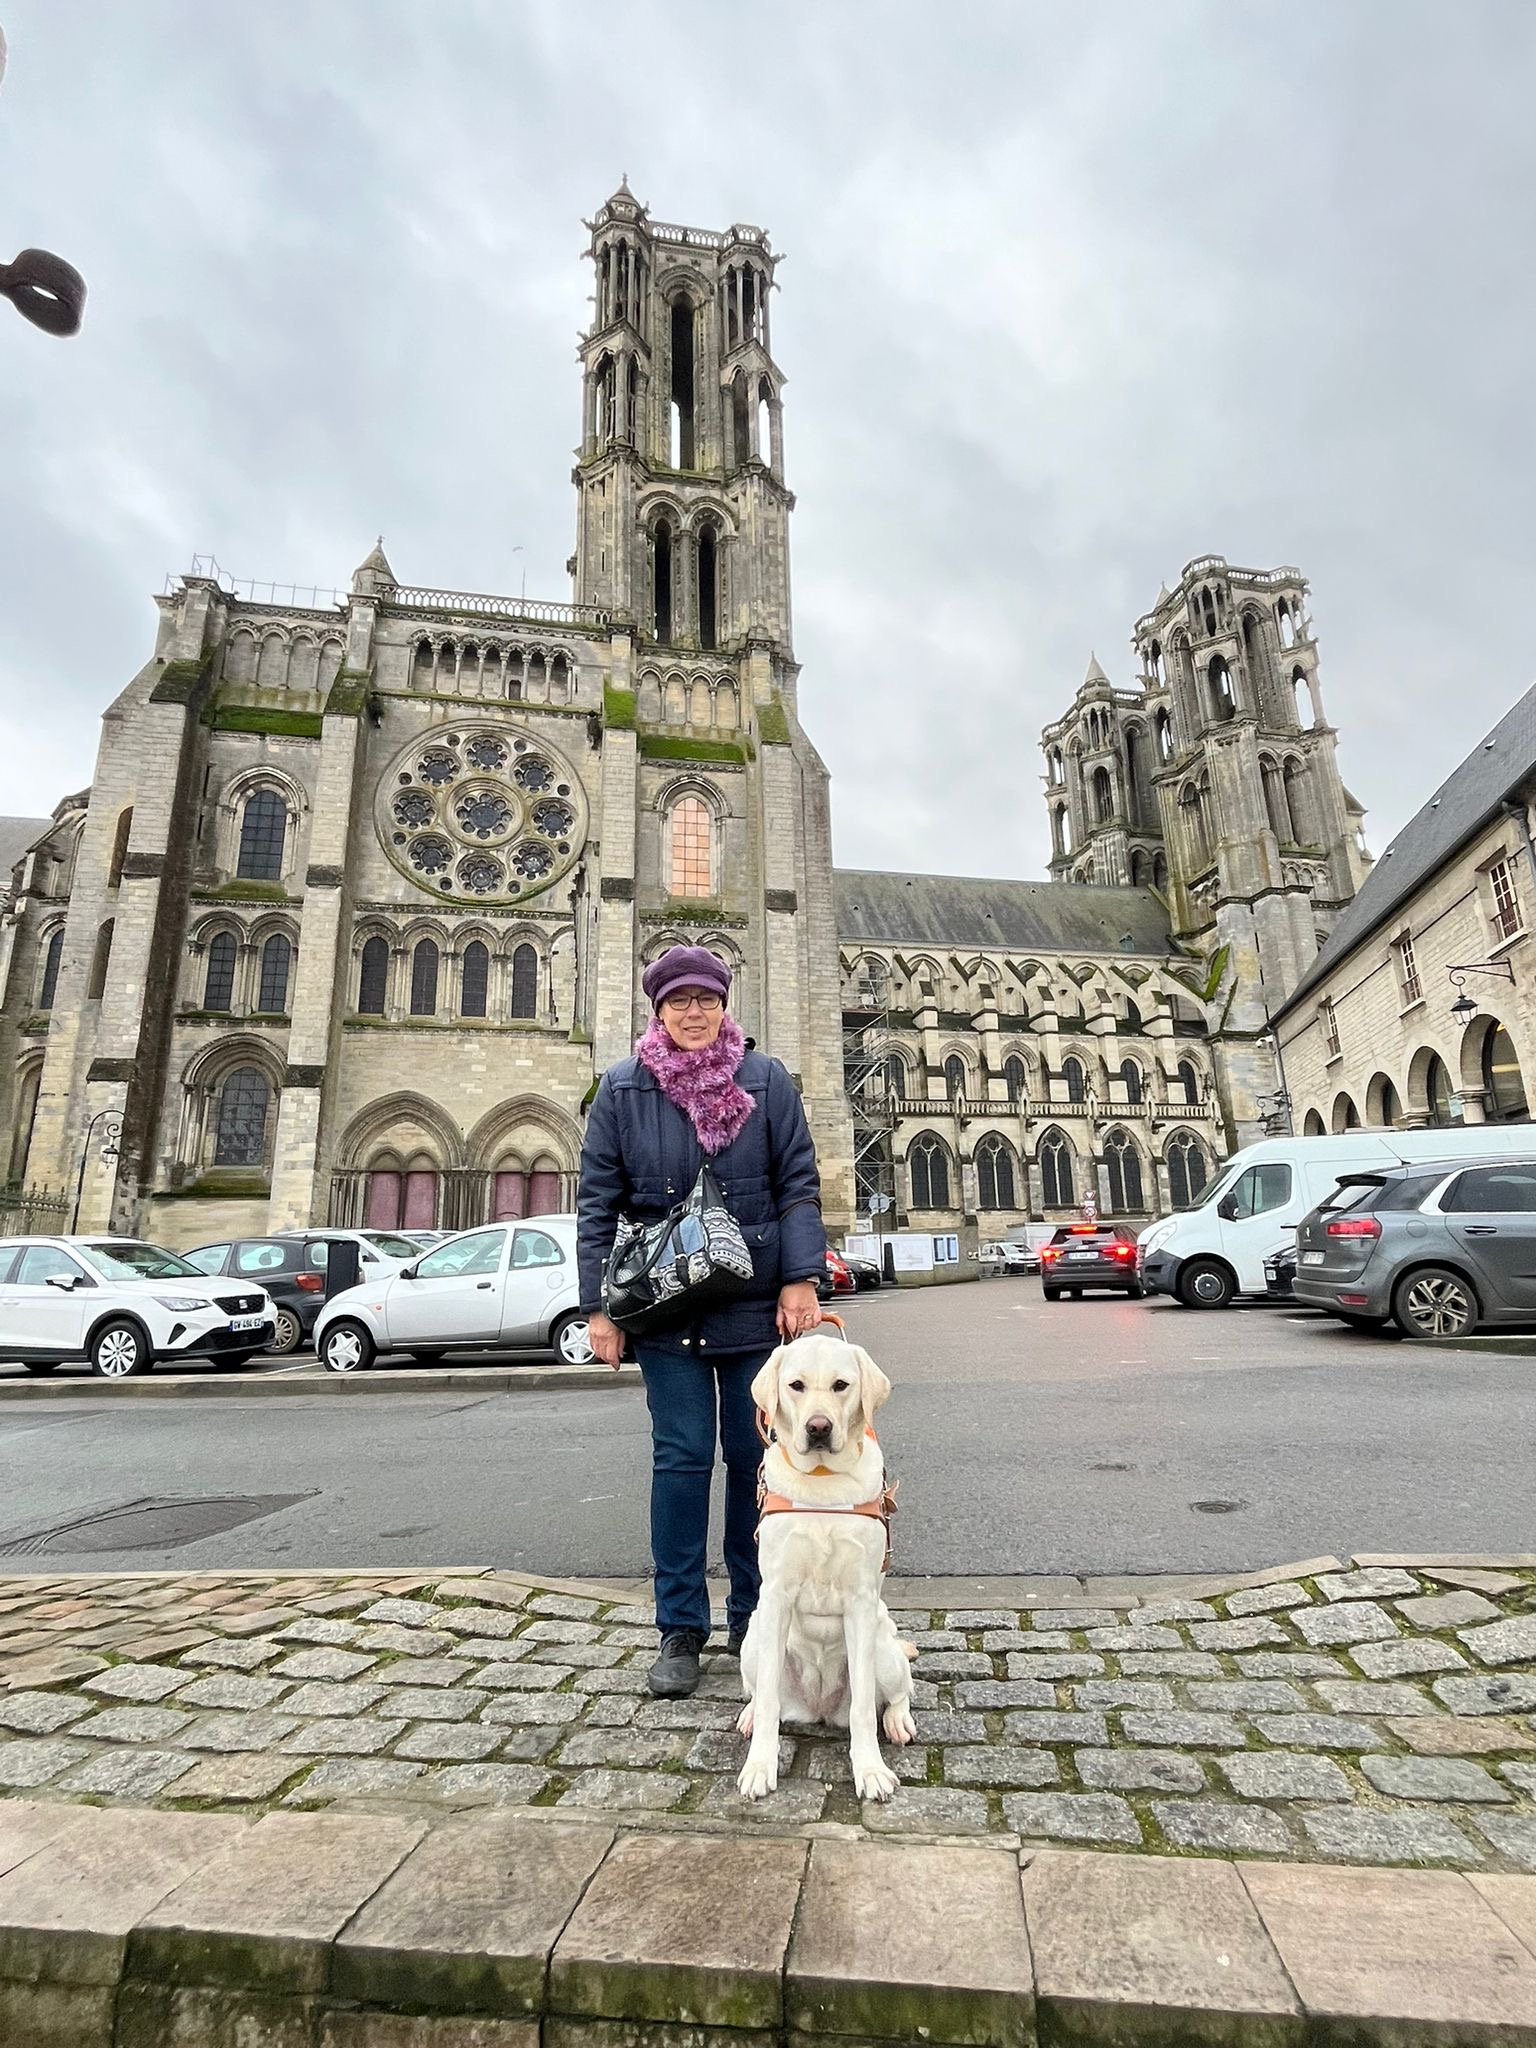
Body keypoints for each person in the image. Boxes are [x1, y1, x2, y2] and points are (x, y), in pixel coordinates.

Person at [577, 944, 826, 1699]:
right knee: (681, 1460)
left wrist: (800, 1277)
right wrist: (598, 1308)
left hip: (755, 1306)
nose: (692, 1012)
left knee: (756, 1465)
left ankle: (754, 1619)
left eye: (705, 1000)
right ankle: (681, 1628)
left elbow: (798, 1183)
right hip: (665, 1307)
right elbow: (596, 1205)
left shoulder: (767, 1079)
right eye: (678, 1001)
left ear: (724, 1004)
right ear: (657, 1009)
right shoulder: (622, 1089)